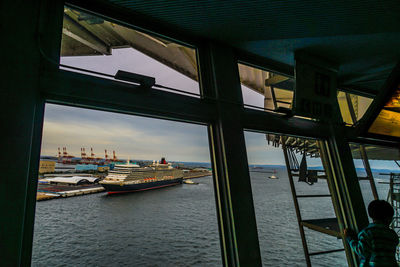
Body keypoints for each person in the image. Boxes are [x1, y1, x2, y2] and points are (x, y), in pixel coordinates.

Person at [344, 200, 399, 266]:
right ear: (388, 218)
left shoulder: (367, 233)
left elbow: (361, 251)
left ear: (371, 215)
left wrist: (350, 238)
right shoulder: (392, 235)